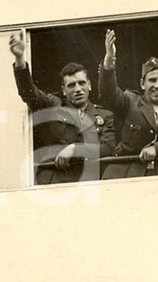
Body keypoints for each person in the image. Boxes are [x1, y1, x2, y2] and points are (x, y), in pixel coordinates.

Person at [10, 33, 115, 184]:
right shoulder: (54, 105)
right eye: (71, 85)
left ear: (90, 85)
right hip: (56, 182)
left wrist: (74, 149)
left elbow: (107, 148)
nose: (78, 89)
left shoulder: (105, 116)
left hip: (90, 183)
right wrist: (20, 60)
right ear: (64, 90)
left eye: (81, 83)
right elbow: (29, 93)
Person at [98, 29, 158, 178]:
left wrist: (157, 148)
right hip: (129, 173)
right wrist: (109, 61)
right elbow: (108, 95)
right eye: (152, 80)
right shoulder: (130, 101)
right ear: (142, 84)